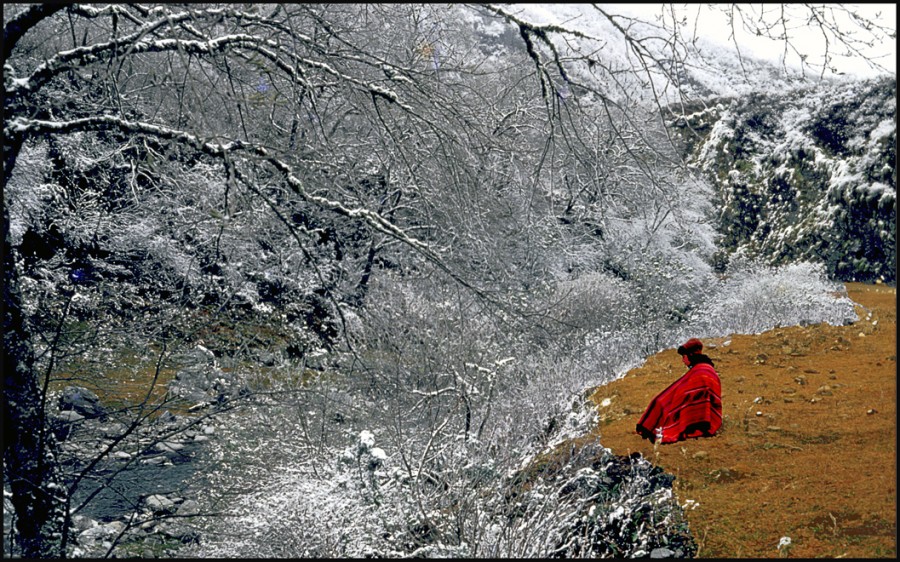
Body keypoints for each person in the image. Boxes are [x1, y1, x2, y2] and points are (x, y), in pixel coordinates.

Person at [636, 338, 722, 444]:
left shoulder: (701, 371)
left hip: (701, 414)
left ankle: (652, 427)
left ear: (690, 355)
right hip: (709, 416)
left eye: (684, 356)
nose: (683, 360)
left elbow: (686, 392)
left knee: (662, 402)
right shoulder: (705, 367)